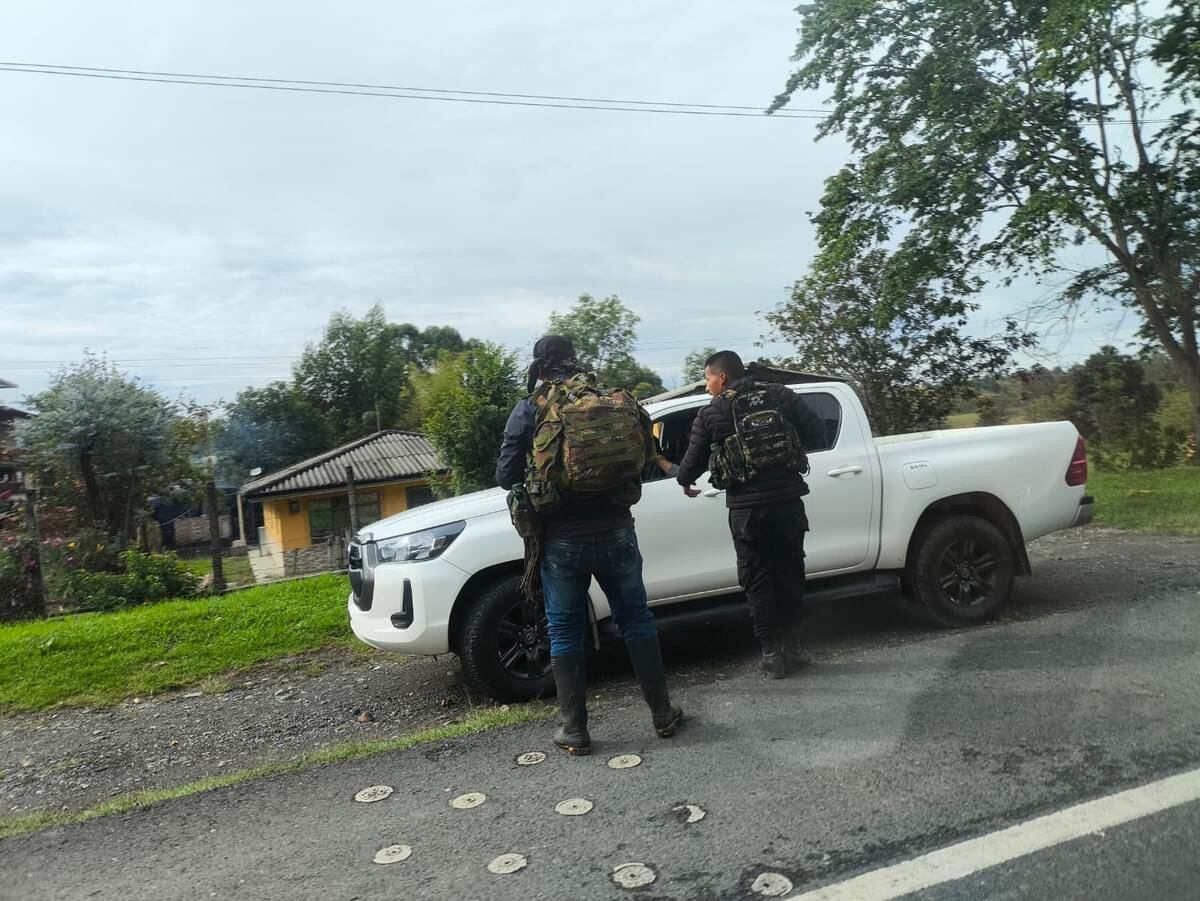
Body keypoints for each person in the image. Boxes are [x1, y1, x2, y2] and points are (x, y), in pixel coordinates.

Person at [496, 335, 683, 755]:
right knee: (635, 619)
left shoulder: (531, 407)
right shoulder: (614, 400)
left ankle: (575, 731)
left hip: (562, 538)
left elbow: (505, 474)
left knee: (564, 630)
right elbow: (647, 455)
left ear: (540, 368)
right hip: (617, 527)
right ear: (574, 362)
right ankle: (663, 714)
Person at [676, 350, 827, 678]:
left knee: (757, 579)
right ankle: (796, 648)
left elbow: (692, 462)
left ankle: (772, 655)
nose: (706, 387)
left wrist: (684, 482)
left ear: (723, 377)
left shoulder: (711, 413)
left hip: (747, 513)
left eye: (708, 379)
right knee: (790, 574)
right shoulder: (780, 395)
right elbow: (818, 432)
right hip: (788, 502)